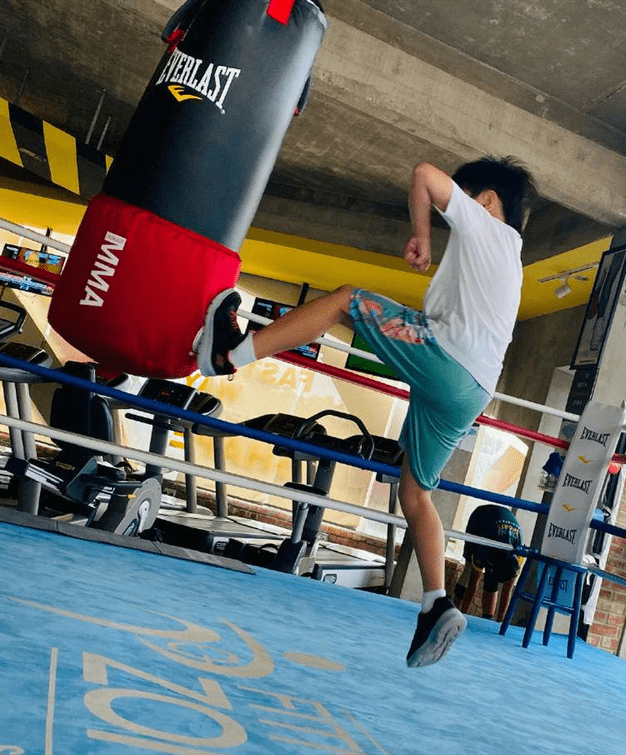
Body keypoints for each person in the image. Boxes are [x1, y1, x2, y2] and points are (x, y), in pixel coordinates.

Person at [194, 156, 537, 667]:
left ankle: (228, 355)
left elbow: (422, 172)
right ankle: (435, 603)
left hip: (446, 357)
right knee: (415, 490)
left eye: (466, 199)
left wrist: (421, 233)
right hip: (472, 389)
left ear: (486, 200)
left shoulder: (485, 224)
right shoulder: (509, 262)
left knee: (345, 301)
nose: (454, 216)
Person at [454, 503, 523, 620]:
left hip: (500, 527)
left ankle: (488, 620)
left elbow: (507, 591)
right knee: (469, 570)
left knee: (492, 582)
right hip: (480, 519)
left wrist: (500, 624)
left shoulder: (518, 556)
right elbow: (473, 582)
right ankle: (455, 610)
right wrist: (462, 616)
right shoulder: (484, 550)